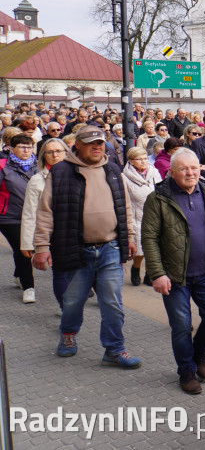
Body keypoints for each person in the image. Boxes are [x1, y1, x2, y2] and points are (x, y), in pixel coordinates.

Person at [32, 126, 141, 368]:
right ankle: (68, 334)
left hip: (110, 248)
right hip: (75, 247)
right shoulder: (60, 172)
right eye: (91, 143)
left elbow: (125, 207)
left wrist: (130, 237)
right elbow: (45, 212)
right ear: (77, 145)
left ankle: (114, 349)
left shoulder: (113, 170)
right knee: (73, 301)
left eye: (100, 143)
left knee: (112, 302)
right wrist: (41, 246)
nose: (96, 147)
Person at [142, 148, 205, 394]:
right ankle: (187, 371)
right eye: (183, 168)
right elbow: (149, 237)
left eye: (194, 167)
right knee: (181, 326)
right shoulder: (158, 198)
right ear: (171, 172)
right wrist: (157, 273)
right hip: (174, 276)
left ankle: (199, 355)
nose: (190, 173)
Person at [20, 138, 66, 303]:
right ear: (43, 156)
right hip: (52, 234)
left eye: (59, 151)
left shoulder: (78, 174)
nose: (55, 155)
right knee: (60, 273)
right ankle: (65, 307)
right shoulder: (37, 180)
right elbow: (29, 213)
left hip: (77, 232)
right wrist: (27, 243)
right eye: (50, 152)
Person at [0, 134, 38, 303]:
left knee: (27, 248)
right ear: (12, 148)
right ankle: (29, 286)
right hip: (10, 216)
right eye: (22, 147)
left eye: (29, 147)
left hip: (34, 215)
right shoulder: (3, 166)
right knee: (23, 248)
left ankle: (18, 274)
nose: (26, 150)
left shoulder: (38, 166)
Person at [122, 146, 160, 287]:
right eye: (139, 159)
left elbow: (161, 188)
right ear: (131, 161)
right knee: (139, 249)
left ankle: (150, 274)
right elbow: (125, 200)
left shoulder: (153, 171)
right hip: (136, 215)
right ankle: (136, 268)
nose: (143, 161)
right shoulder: (125, 176)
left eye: (145, 158)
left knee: (154, 246)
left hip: (155, 214)